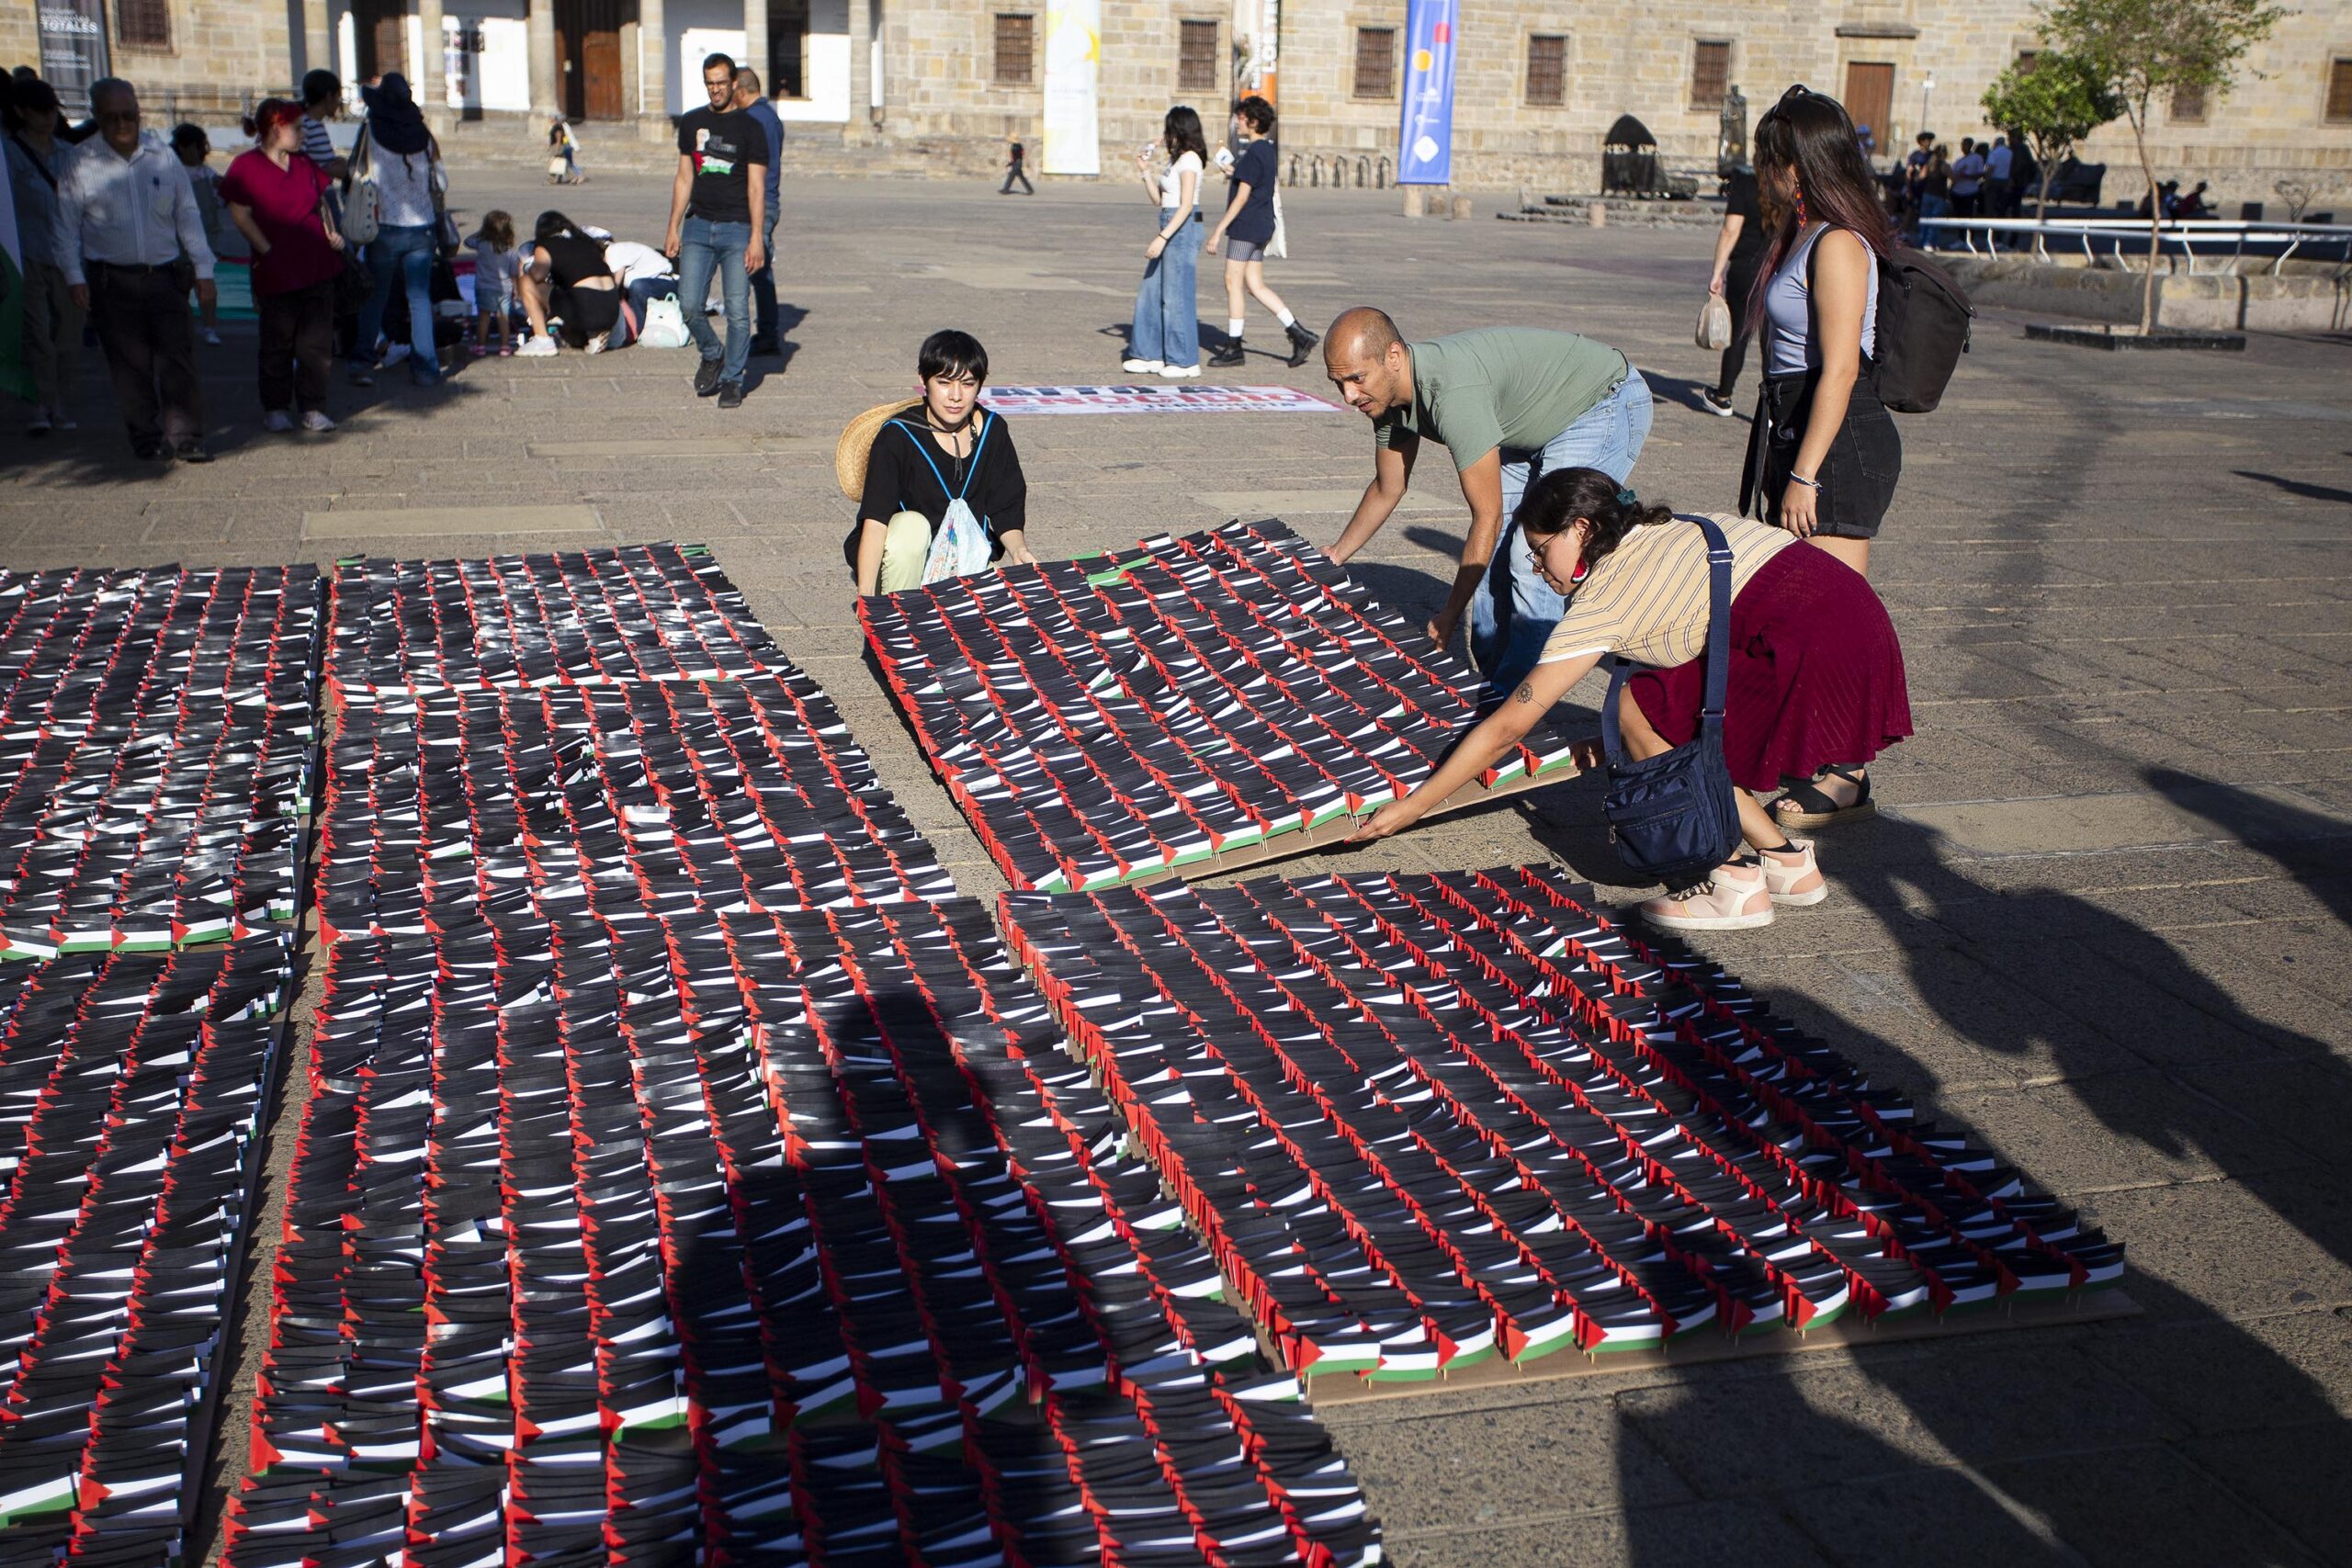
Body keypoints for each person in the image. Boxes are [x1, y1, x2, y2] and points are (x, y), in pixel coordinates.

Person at [1350, 468, 1911, 934]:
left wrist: (1414, 806)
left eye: (1542, 552)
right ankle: (1789, 865)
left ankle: (1731, 882)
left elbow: (1508, 725)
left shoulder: (1605, 596)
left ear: (1582, 528)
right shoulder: (1671, 529)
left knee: (1635, 708)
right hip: (1862, 624)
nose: (1540, 572)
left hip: (1811, 651)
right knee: (1664, 699)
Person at [1321, 310, 1653, 694]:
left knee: (1533, 556)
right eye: (1338, 382)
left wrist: (1450, 613)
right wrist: (1337, 553)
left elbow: (1487, 517)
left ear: (1393, 357)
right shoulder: (1385, 398)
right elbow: (1388, 486)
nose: (1348, 395)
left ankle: (1519, 704)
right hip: (1528, 423)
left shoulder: (1452, 395)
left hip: (1600, 402)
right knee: (1495, 555)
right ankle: (1495, 687)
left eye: (1356, 379)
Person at [1737, 84, 1902, 833]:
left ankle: (1848, 772)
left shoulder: (1837, 243)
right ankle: (1825, 755)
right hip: (1797, 430)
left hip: (1837, 440)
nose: (1762, 172)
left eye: (1769, 159)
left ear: (1796, 166)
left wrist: (1804, 472)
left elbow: (1839, 368)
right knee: (1806, 604)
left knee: (1836, 611)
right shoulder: (1800, 236)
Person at [52, 77, 217, 462]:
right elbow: (64, 228)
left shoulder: (162, 155)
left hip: (163, 274)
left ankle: (186, 436)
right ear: (97, 118)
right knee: (130, 366)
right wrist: (74, 277)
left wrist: (203, 268)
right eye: (112, 118)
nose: (123, 124)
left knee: (177, 358)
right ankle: (145, 436)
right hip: (111, 279)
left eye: (129, 115)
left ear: (139, 113)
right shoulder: (81, 163)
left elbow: (187, 215)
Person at [849, 329, 1035, 596]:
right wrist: (867, 600)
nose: (956, 396)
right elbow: (875, 522)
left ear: (980, 385)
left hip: (965, 560)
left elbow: (1006, 508)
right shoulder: (898, 435)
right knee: (912, 527)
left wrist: (1020, 550)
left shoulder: (993, 430)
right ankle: (900, 618)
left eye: (968, 384)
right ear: (923, 380)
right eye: (944, 382)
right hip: (901, 566)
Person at [220, 98, 346, 434]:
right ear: (277, 129)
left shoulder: (303, 164)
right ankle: (275, 406)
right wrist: (266, 249)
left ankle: (313, 406)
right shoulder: (245, 166)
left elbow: (321, 203)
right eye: (297, 128)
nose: (303, 134)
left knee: (315, 343)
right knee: (277, 341)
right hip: (276, 268)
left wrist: (332, 233)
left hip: (318, 264)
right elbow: (240, 213)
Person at [664, 51, 766, 409]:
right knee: (689, 303)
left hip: (737, 228)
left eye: (722, 83)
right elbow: (683, 177)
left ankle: (733, 378)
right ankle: (712, 353)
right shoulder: (692, 122)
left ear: (734, 83)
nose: (716, 90)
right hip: (698, 226)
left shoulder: (751, 127)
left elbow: (756, 187)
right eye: (710, 84)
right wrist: (673, 227)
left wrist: (757, 237)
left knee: (738, 309)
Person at [348, 73, 447, 387]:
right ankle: (426, 369)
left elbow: (355, 172)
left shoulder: (371, 132)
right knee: (418, 298)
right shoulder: (425, 136)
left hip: (385, 225)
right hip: (422, 228)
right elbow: (442, 183)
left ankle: (363, 363)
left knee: (375, 296)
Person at [1204, 96, 1317, 369]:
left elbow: (1242, 197)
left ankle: (1234, 346)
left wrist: (1218, 231)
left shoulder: (1254, 152)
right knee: (1254, 285)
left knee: (1232, 281)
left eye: (1241, 118)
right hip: (1262, 225)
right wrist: (1233, 170)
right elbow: (1252, 180)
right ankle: (1298, 332)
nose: (1237, 122)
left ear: (1253, 121)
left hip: (1246, 226)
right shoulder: (1266, 149)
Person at [6, 75, 80, 434]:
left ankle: (58, 400)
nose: (48, 117)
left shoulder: (68, 153)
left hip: (68, 257)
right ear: (21, 112)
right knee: (37, 333)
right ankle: (41, 403)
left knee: (68, 335)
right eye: (39, 111)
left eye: (52, 110)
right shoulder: (8, 153)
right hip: (27, 254)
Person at [1122, 106, 1204, 379]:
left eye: (1169, 128)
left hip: (1181, 228)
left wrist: (1162, 237)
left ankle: (1184, 360)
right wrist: (1145, 171)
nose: (1165, 134)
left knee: (1176, 297)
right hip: (1169, 221)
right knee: (1150, 292)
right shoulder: (1175, 161)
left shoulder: (1191, 160)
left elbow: (1186, 205)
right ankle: (1149, 353)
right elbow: (1158, 200)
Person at [1701, 152, 1766, 417]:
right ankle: (1776, 407)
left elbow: (1731, 229)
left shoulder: (1746, 183)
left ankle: (1724, 395)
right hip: (1779, 267)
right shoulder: (1791, 185)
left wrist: (1717, 272)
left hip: (1746, 268)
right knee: (1775, 339)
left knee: (1739, 333)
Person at [514, 209, 619, 355]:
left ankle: (542, 340)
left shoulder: (547, 245)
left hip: (586, 307)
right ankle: (592, 335)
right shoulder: (586, 243)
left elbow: (536, 276)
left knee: (526, 282)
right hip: (612, 309)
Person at [732, 65, 784, 357]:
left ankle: (766, 334)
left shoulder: (752, 119)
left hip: (758, 202)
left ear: (740, 90)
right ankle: (766, 331)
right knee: (758, 267)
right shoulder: (771, 117)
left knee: (757, 268)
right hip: (768, 200)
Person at [171, 123, 226, 344]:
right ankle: (181, 327)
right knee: (181, 284)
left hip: (206, 236)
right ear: (182, 148)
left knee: (206, 283)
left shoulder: (208, 174)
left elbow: (219, 202)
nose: (199, 152)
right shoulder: (172, 172)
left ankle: (210, 328)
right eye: (195, 147)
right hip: (178, 238)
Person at [602, 235, 681, 340]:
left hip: (666, 283)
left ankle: (639, 331)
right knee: (633, 289)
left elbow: (614, 287)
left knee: (637, 286)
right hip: (646, 289)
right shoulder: (609, 256)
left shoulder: (613, 252)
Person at [467, 209, 519, 355]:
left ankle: (481, 346)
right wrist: (516, 289)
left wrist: (481, 232)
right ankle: (505, 346)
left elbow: (467, 241)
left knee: (484, 317)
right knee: (503, 318)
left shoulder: (481, 245)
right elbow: (514, 273)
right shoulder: (510, 251)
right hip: (505, 288)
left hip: (484, 287)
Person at [299, 69, 347, 180]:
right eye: (338, 97)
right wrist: (329, 171)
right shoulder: (305, 125)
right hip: (316, 195)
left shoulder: (315, 125)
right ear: (329, 96)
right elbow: (296, 164)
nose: (338, 102)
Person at [1951, 136, 1985, 219]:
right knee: (1958, 215)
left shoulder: (1977, 158)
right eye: (1962, 145)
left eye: (1965, 145)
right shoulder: (1959, 161)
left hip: (1970, 191)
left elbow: (1980, 174)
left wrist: (1967, 176)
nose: (1963, 147)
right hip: (1957, 191)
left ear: (1970, 146)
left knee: (1968, 215)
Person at [1984, 134, 2015, 221]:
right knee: (2003, 207)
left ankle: (1989, 228)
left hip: (1994, 180)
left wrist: (1986, 183)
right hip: (2006, 181)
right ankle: (2001, 230)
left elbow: (1990, 168)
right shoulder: (2010, 152)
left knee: (1990, 206)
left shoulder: (1994, 152)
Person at [548, 116, 582, 184]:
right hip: (561, 146)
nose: (548, 120)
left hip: (562, 147)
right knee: (561, 162)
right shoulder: (559, 126)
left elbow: (562, 137)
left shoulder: (559, 127)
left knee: (563, 163)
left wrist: (557, 148)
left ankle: (575, 176)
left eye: (550, 118)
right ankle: (558, 178)